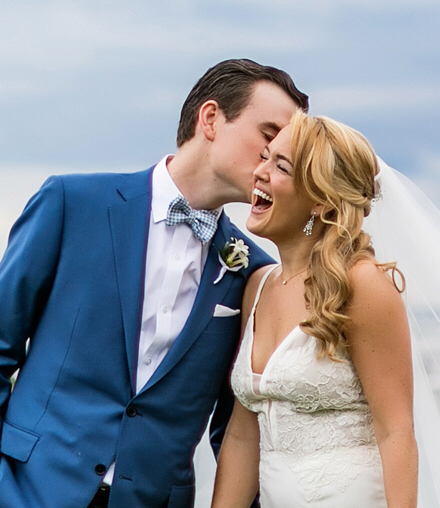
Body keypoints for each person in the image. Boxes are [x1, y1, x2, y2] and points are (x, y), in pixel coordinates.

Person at [0, 59, 308, 508]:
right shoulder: (72, 204)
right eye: (268, 136)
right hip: (27, 492)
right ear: (211, 119)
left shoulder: (253, 273)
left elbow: (239, 431)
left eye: (285, 151)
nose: (274, 160)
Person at [211, 110, 418, 507]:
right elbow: (241, 435)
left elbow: (396, 432)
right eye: (265, 156)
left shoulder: (362, 285)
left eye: (281, 166)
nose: (260, 172)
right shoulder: (258, 285)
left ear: (321, 203)